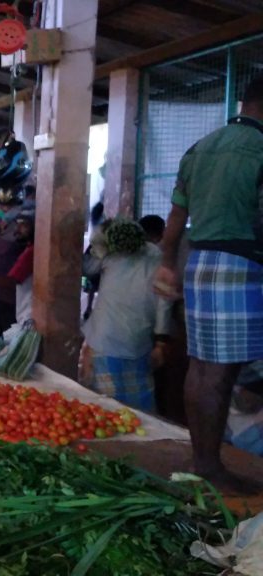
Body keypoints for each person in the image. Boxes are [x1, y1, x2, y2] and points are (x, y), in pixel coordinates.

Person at [153, 76, 263, 493]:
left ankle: (202, 459)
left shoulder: (200, 148)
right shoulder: (260, 148)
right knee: (219, 373)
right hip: (240, 264)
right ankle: (209, 466)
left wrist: (168, 265)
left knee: (200, 367)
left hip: (198, 263)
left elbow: (176, 219)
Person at [82, 218, 172, 412]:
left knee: (103, 408)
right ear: (159, 235)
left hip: (104, 341)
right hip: (137, 342)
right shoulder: (160, 259)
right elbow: (164, 302)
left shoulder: (111, 254)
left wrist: (98, 240)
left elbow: (87, 268)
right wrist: (161, 342)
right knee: (139, 411)